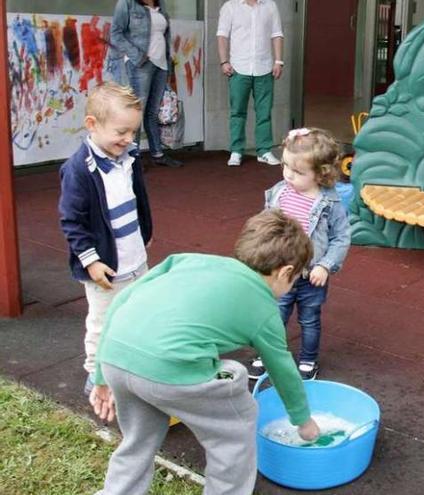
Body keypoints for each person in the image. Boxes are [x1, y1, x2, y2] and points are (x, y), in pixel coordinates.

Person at [90, 209, 321, 495]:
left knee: (139, 438)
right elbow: (283, 370)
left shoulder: (187, 260)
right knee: (235, 428)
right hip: (169, 368)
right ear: (286, 272)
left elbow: (122, 300)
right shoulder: (264, 309)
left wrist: (100, 375)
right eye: (295, 279)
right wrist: (303, 421)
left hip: (117, 358)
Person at [58, 82, 152, 399]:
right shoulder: (78, 170)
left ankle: (129, 367)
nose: (128, 139)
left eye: (132, 132)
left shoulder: (129, 156)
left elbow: (137, 199)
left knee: (138, 315)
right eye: (121, 132)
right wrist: (91, 261)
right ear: (92, 125)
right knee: (102, 323)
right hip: (105, 268)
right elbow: (72, 221)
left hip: (135, 258)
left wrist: (144, 234)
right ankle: (96, 376)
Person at [255, 128, 351, 381]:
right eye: (286, 166)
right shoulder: (279, 192)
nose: (288, 175)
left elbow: (341, 237)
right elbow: (266, 225)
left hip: (311, 275)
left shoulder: (329, 204)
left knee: (309, 321)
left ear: (322, 174)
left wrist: (326, 266)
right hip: (280, 273)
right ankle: (267, 355)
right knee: (274, 317)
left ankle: (308, 360)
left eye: (298, 172)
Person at [110, 0, 183, 168]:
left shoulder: (160, 5)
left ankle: (157, 153)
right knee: (136, 112)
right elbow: (116, 33)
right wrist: (138, 55)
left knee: (153, 111)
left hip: (161, 64)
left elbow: (163, 35)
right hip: (140, 63)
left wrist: (168, 59)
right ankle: (131, 158)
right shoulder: (127, 4)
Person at [217, 0, 285, 167]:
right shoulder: (230, 6)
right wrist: (224, 61)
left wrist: (278, 61)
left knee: (264, 111)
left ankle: (264, 151)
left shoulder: (270, 6)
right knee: (237, 112)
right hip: (238, 67)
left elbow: (277, 34)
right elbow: (222, 36)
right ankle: (236, 150)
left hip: (265, 67)